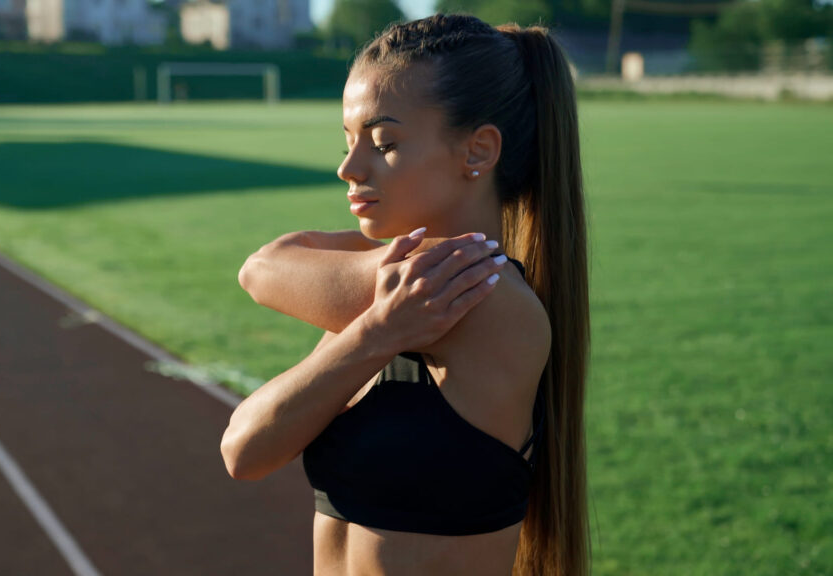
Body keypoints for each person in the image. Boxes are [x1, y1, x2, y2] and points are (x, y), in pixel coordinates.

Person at [221, 13, 589, 576]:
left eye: (384, 142)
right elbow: (244, 450)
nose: (348, 167)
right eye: (348, 141)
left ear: (478, 152)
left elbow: (264, 269)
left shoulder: (483, 300)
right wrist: (375, 335)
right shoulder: (391, 301)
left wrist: (376, 328)